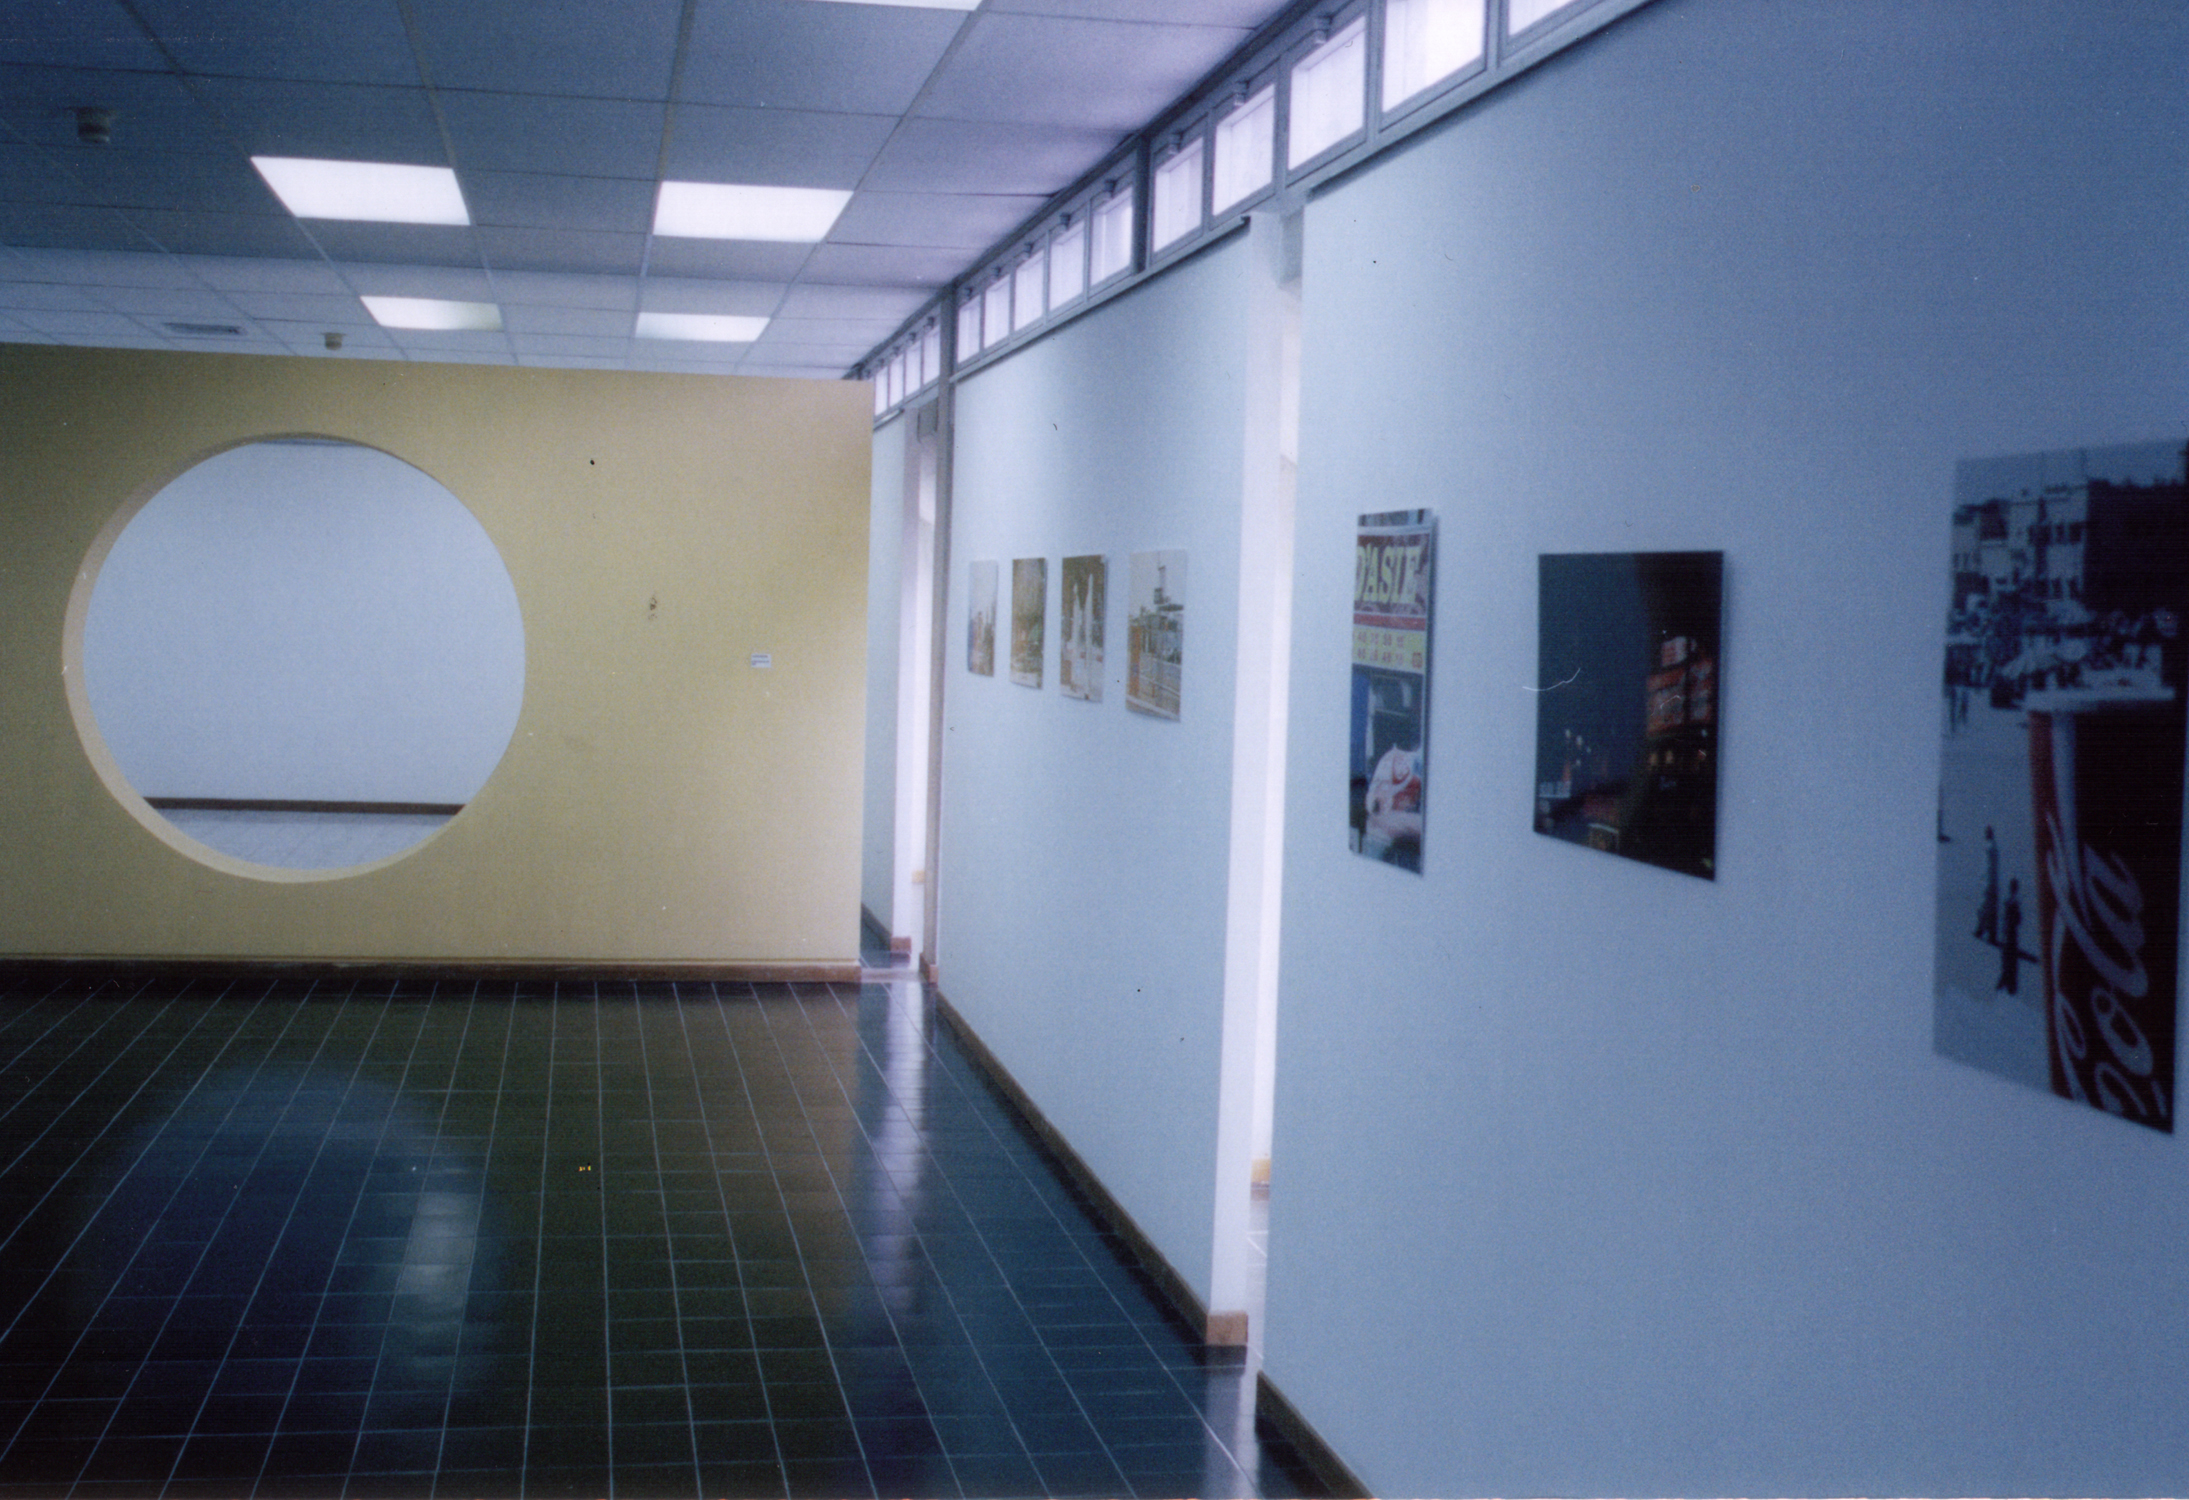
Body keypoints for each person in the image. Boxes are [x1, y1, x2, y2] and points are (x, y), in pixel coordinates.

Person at [1997, 878, 2022, 996]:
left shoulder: (2014, 902)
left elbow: (2017, 919)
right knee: (2007, 958)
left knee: (2009, 958)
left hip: (2010, 934)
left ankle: (2008, 983)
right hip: (2008, 933)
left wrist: (2010, 923)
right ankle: (2007, 981)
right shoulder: (2011, 901)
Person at [1974, 826, 1999, 944]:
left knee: (1984, 908)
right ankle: (1991, 934)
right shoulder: (1993, 847)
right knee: (1992, 909)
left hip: (1988, 883)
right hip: (1992, 883)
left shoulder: (1989, 848)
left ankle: (1980, 930)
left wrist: (1985, 883)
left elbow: (1988, 867)